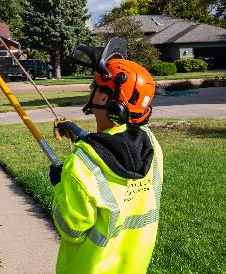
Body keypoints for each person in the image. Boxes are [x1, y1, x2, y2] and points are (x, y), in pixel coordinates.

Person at [49, 48, 162, 274]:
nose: (91, 88)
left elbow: (72, 229)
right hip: (134, 266)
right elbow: (117, 146)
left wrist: (61, 185)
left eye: (95, 85)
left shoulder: (82, 165)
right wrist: (82, 135)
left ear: (103, 98)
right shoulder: (150, 144)